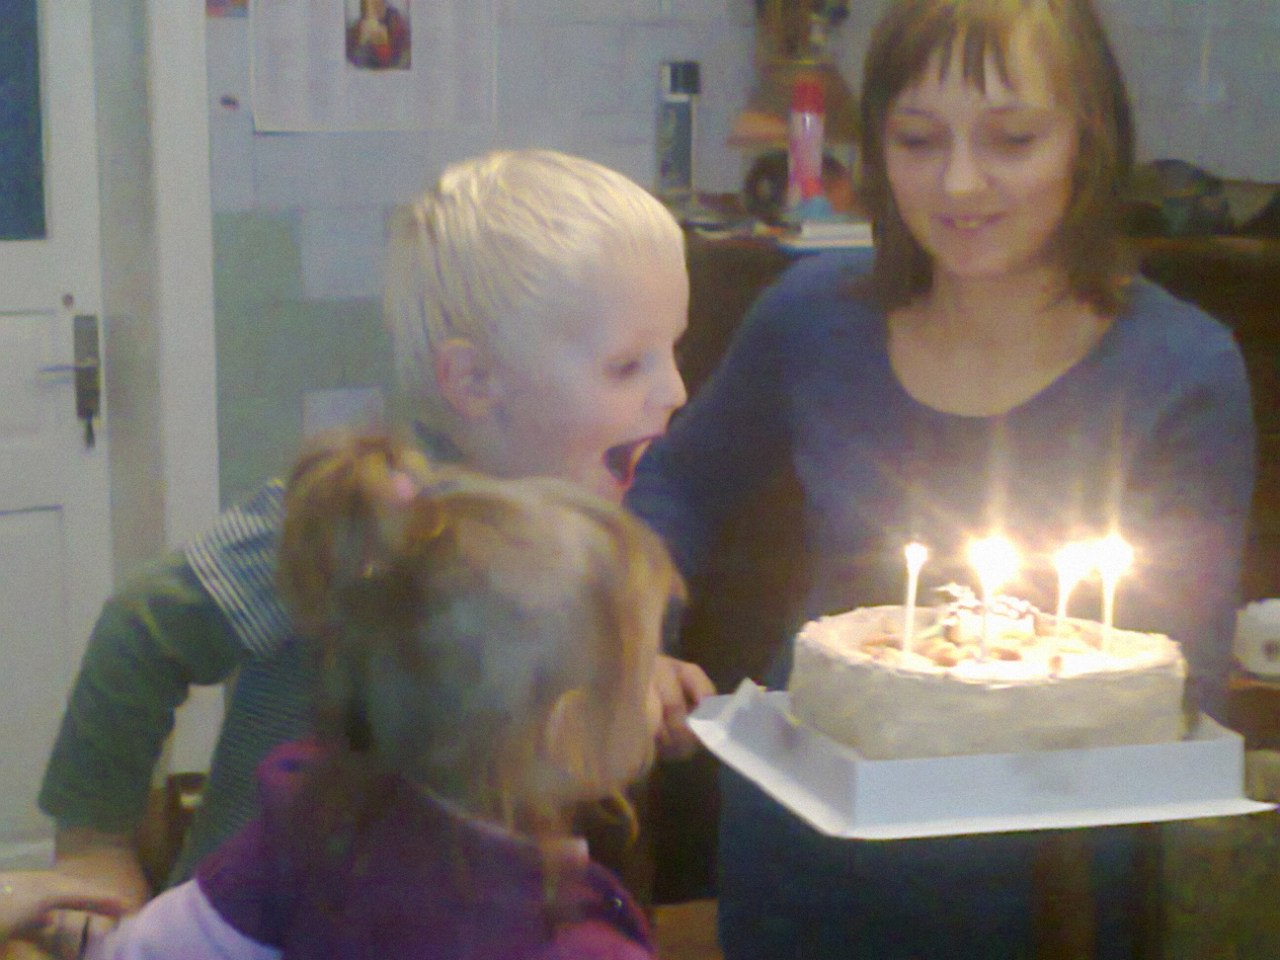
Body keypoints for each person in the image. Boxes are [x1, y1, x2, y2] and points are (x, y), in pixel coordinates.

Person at [627, 0, 1256, 957]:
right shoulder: (812, 316)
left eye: (1013, 138)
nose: (960, 181)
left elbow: (1181, 673)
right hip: (806, 859)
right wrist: (633, 638)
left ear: (1088, 141)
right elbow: (676, 486)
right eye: (919, 139)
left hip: (1051, 889)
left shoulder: (1182, 369)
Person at [37, 149, 713, 916]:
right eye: (627, 366)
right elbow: (140, 627)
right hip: (260, 924)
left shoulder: (574, 539)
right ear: (474, 381)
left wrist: (627, 675)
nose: (675, 390)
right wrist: (94, 850)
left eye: (674, 350)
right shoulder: (366, 513)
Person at [3, 432, 680, 958]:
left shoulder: (301, 825)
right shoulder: (575, 945)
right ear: (565, 732)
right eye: (643, 668)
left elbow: (146, 951)